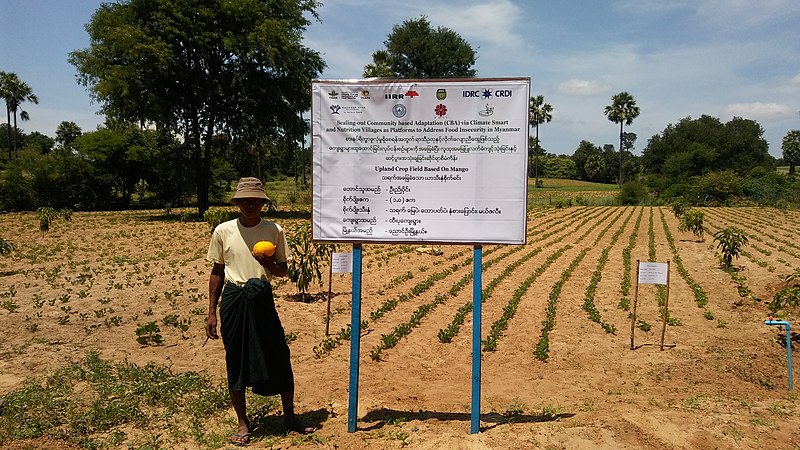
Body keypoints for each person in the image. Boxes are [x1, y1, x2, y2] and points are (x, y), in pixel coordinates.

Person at [205, 177, 315, 446]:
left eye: (256, 201)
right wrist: (211, 311)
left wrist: (267, 263)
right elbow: (217, 271)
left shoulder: (274, 230)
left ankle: (289, 416)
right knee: (237, 358)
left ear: (263, 203)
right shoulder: (223, 231)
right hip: (234, 297)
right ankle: (243, 423)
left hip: (261, 296)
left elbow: (282, 270)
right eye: (246, 201)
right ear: (238, 203)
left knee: (278, 352)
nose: (251, 205)